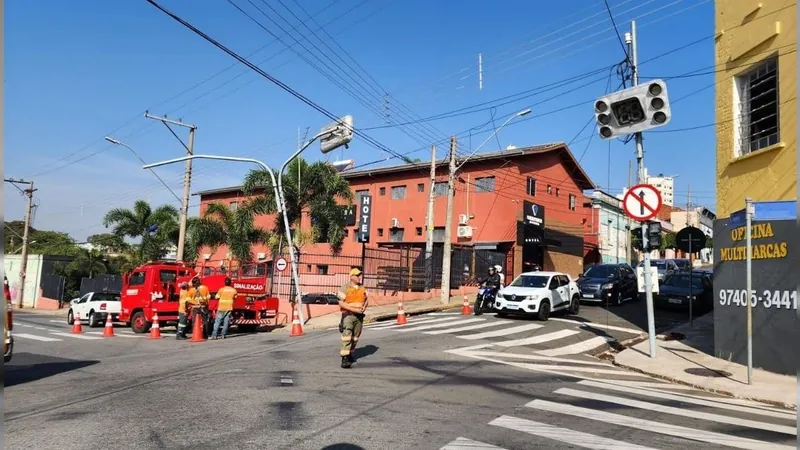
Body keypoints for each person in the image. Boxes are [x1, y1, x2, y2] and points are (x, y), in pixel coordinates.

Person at [337, 268, 368, 369]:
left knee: (355, 337)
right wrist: (352, 309)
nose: (360, 277)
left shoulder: (362, 288)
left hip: (359, 316)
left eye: (360, 275)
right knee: (347, 335)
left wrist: (364, 307)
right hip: (348, 315)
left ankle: (350, 354)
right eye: (358, 275)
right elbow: (340, 302)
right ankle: (344, 358)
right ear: (352, 277)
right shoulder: (345, 287)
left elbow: (367, 299)